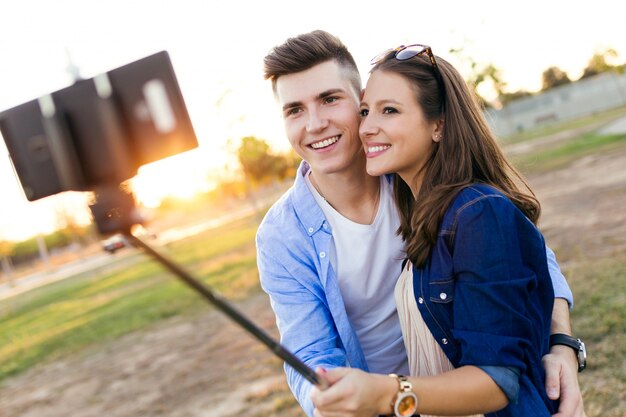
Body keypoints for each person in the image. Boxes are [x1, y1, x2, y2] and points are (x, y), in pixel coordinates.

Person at [257, 30, 585, 417]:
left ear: (359, 101)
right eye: (294, 109)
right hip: (386, 406)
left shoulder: (413, 171)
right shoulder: (281, 235)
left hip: (468, 389)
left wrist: (562, 344)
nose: (314, 124)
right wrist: (331, 400)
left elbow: (527, 255)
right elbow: (310, 351)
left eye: (329, 99)